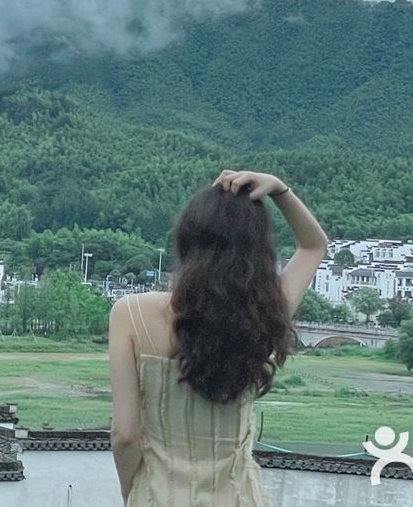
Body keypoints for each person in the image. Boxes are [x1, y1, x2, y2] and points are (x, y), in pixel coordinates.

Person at [109, 169, 329, 506]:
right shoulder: (263, 315)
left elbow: (125, 433)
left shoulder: (130, 313)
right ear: (258, 250)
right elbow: (314, 246)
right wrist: (280, 190)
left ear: (186, 240)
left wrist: (133, 491)